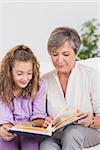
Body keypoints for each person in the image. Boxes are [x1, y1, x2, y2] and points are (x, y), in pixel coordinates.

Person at [40, 27, 100, 150]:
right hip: (57, 134)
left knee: (72, 134)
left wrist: (91, 120)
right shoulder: (44, 81)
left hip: (89, 132)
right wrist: (44, 121)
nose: (59, 60)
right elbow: (39, 115)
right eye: (54, 54)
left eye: (66, 54)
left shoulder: (91, 76)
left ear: (75, 52)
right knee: (46, 145)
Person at [0, 44, 47, 150]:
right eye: (20, 74)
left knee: (30, 144)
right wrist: (4, 129)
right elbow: (4, 119)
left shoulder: (39, 86)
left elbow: (39, 117)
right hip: (10, 130)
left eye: (29, 73)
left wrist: (28, 125)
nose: (25, 78)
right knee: (5, 143)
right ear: (10, 71)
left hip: (30, 129)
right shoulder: (1, 88)